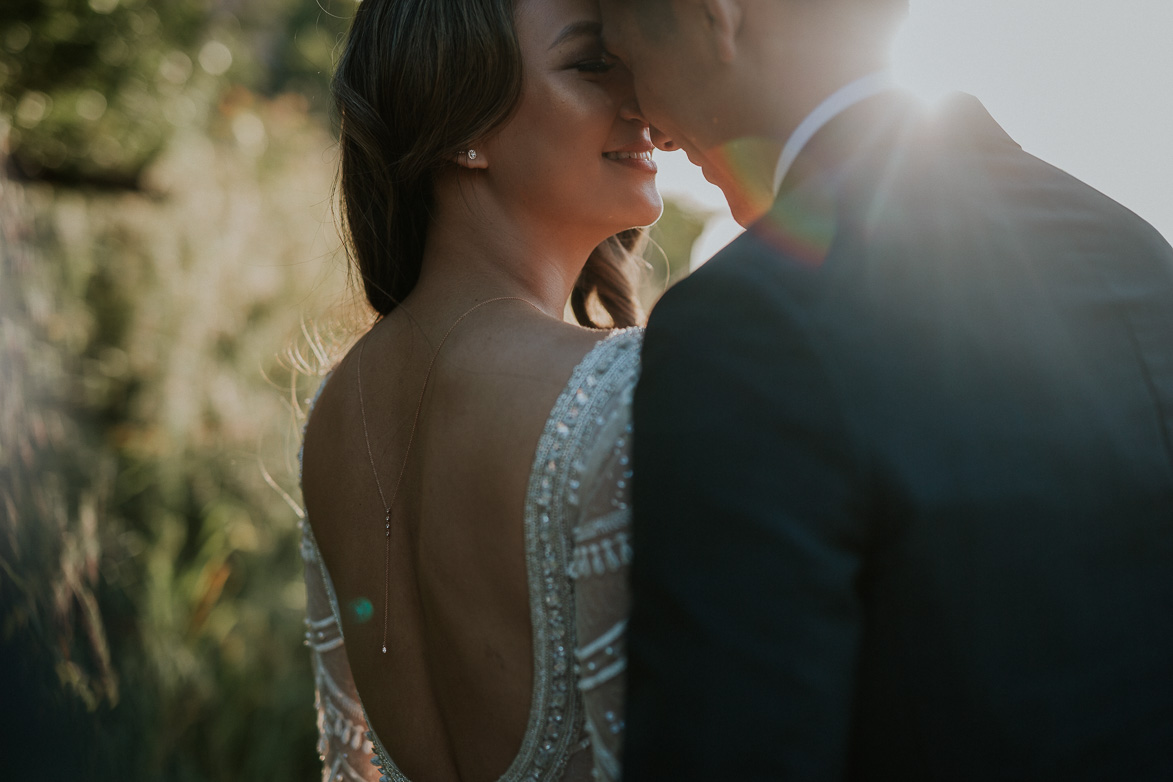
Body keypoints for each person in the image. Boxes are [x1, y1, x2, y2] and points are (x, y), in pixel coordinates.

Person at [598, 0, 1173, 778]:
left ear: (720, 16)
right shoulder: (1132, 251)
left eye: (626, 57)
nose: (646, 124)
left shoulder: (745, 326)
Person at [297, 0, 661, 780]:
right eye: (593, 64)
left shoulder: (333, 411)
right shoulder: (622, 392)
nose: (646, 103)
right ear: (462, 124)